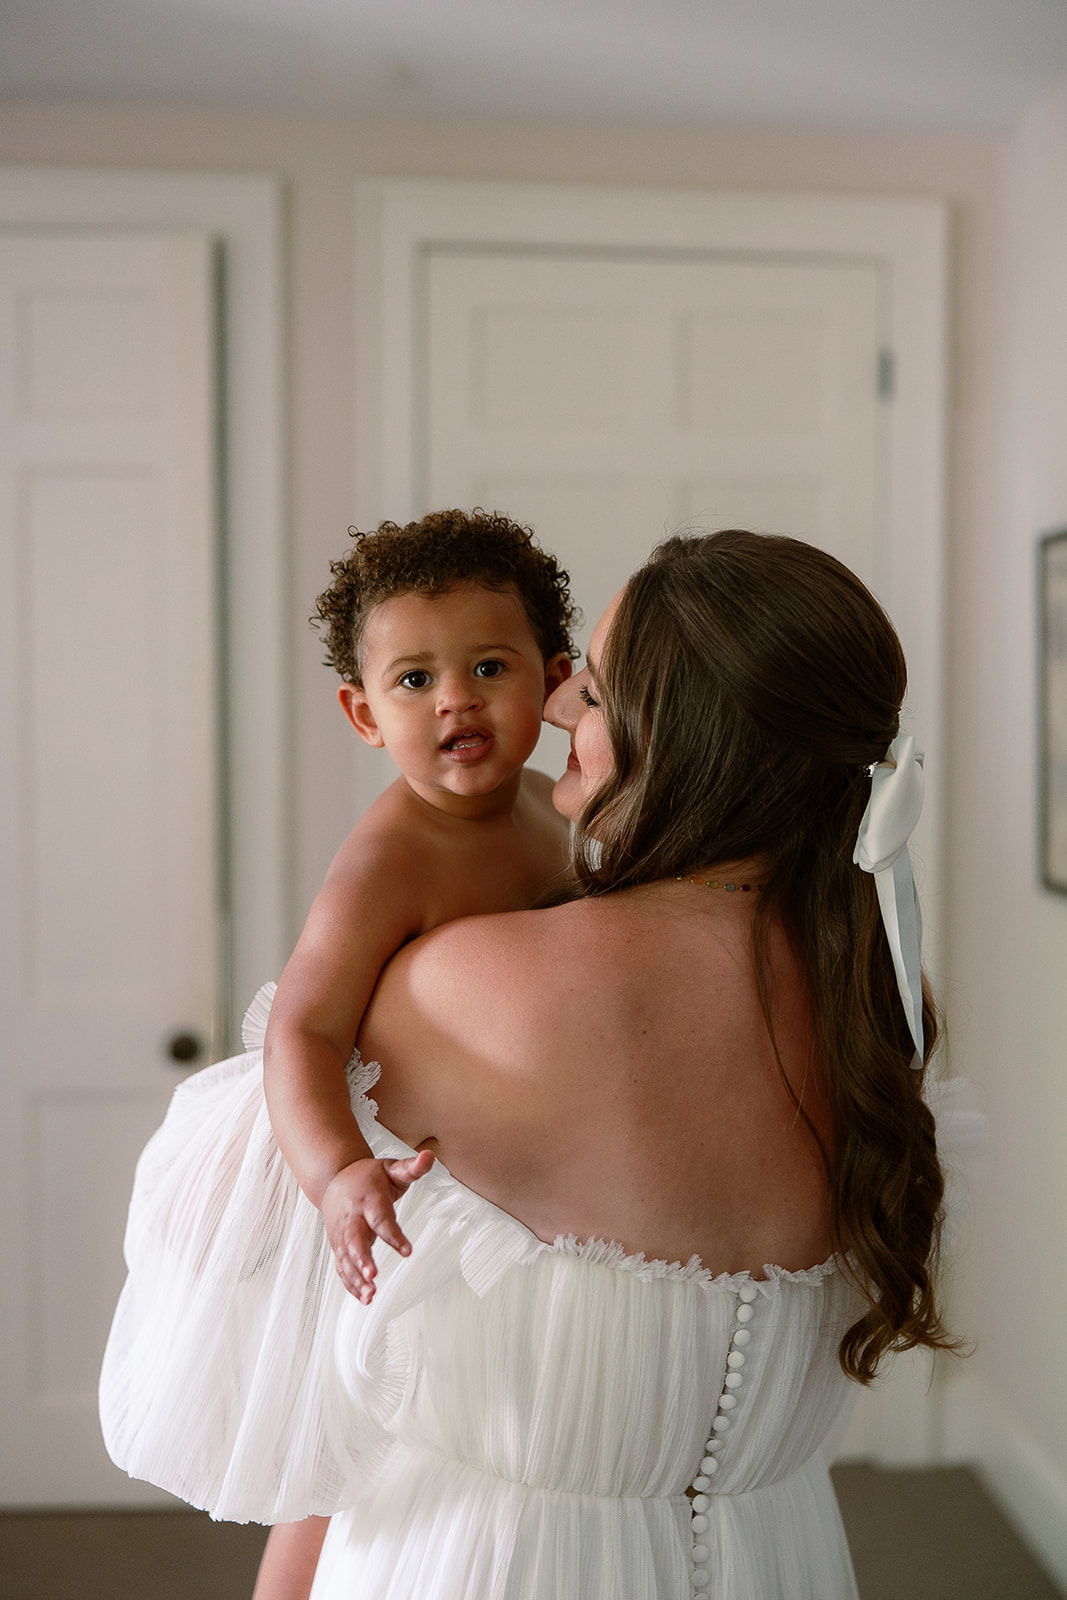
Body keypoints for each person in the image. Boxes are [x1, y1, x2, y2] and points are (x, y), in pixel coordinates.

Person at [104, 530, 954, 1600]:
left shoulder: (466, 985)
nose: (554, 712)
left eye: (589, 692)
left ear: (679, 735)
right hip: (778, 1560)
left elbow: (265, 1286)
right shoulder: (880, 997)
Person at [99, 508, 576, 1600]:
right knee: (347, 1437)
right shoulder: (392, 854)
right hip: (352, 1163)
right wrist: (331, 1174)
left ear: (552, 684)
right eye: (413, 680)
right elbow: (302, 1027)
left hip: (460, 1165)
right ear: (363, 713)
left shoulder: (559, 813)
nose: (453, 698)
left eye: (487, 666)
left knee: (440, 1422)